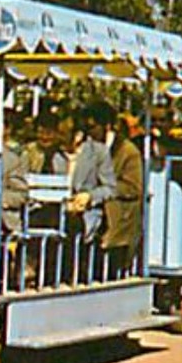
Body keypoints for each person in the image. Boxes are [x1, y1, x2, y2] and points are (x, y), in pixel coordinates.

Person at [66, 103, 118, 280]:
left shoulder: (98, 152)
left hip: (84, 214)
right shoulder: (41, 152)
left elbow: (109, 188)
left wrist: (89, 197)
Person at [102, 106, 144, 278]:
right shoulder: (88, 148)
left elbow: (133, 188)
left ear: (106, 126)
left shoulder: (128, 151)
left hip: (118, 213)